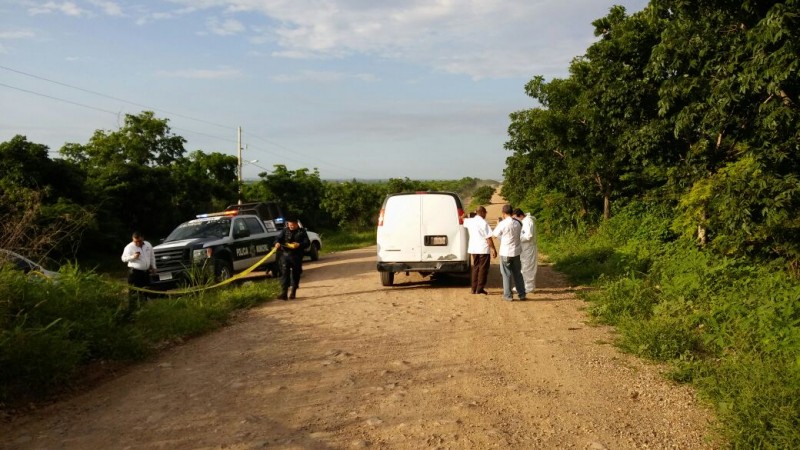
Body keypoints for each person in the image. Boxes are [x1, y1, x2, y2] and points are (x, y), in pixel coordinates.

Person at [492, 205, 526, 301]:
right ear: (511, 212)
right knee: (518, 274)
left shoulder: (502, 224)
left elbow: (494, 235)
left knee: (506, 274)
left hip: (505, 252)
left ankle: (508, 295)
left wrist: (498, 224)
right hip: (516, 251)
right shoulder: (518, 223)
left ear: (503, 213)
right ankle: (522, 294)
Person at [273, 217, 311, 300]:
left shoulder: (302, 231)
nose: (291, 226)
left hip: (297, 256)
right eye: (290, 225)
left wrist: (299, 245)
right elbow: (277, 239)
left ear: (297, 224)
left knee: (295, 274)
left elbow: (307, 242)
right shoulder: (284, 231)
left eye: (293, 225)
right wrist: (277, 243)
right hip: (285, 255)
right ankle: (284, 293)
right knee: (284, 273)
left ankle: (293, 292)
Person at [463, 206, 497, 295]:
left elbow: (462, 218)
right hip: (483, 249)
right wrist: (493, 249)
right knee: (483, 269)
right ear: (482, 212)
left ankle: (473, 289)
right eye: (485, 212)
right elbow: (488, 238)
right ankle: (480, 289)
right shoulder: (483, 223)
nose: (485, 214)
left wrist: (469, 214)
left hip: (473, 248)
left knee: (475, 267)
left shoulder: (470, 221)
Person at [121, 232, 157, 309]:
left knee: (146, 290)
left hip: (145, 272)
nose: (137, 243)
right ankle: (132, 311)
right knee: (133, 292)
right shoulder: (129, 247)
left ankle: (145, 309)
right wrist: (133, 257)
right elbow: (123, 259)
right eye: (135, 241)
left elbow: (152, 256)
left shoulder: (148, 245)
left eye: (139, 241)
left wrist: (153, 267)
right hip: (135, 273)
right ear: (133, 240)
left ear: (143, 238)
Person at [514, 208, 538, 294]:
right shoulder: (524, 221)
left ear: (520, 216)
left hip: (528, 248)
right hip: (524, 248)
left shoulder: (528, 222)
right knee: (524, 267)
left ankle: (529, 287)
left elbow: (528, 236)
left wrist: (517, 238)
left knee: (528, 268)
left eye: (516, 218)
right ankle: (523, 285)